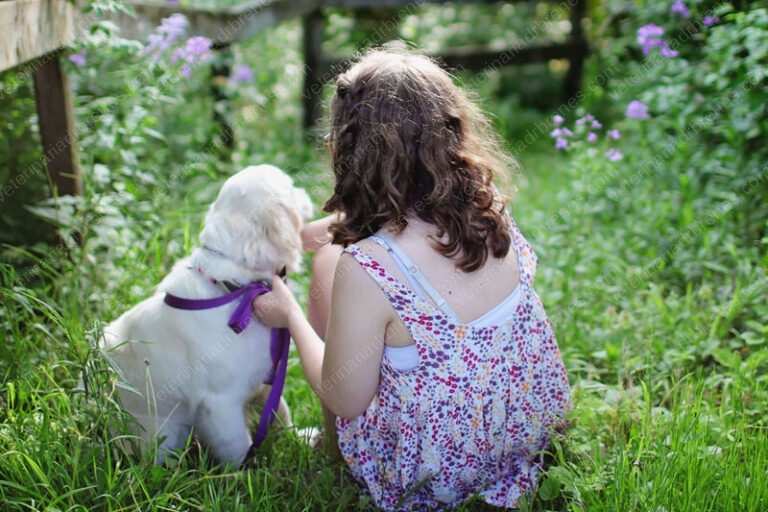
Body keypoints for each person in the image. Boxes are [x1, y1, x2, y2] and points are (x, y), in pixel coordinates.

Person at [253, 45, 571, 510]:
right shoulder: (489, 207)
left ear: (343, 151)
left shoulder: (366, 267)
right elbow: (395, 230)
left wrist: (292, 318)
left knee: (326, 265)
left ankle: (333, 447)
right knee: (328, 255)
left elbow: (346, 399)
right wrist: (308, 233)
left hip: (434, 474)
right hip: (525, 434)